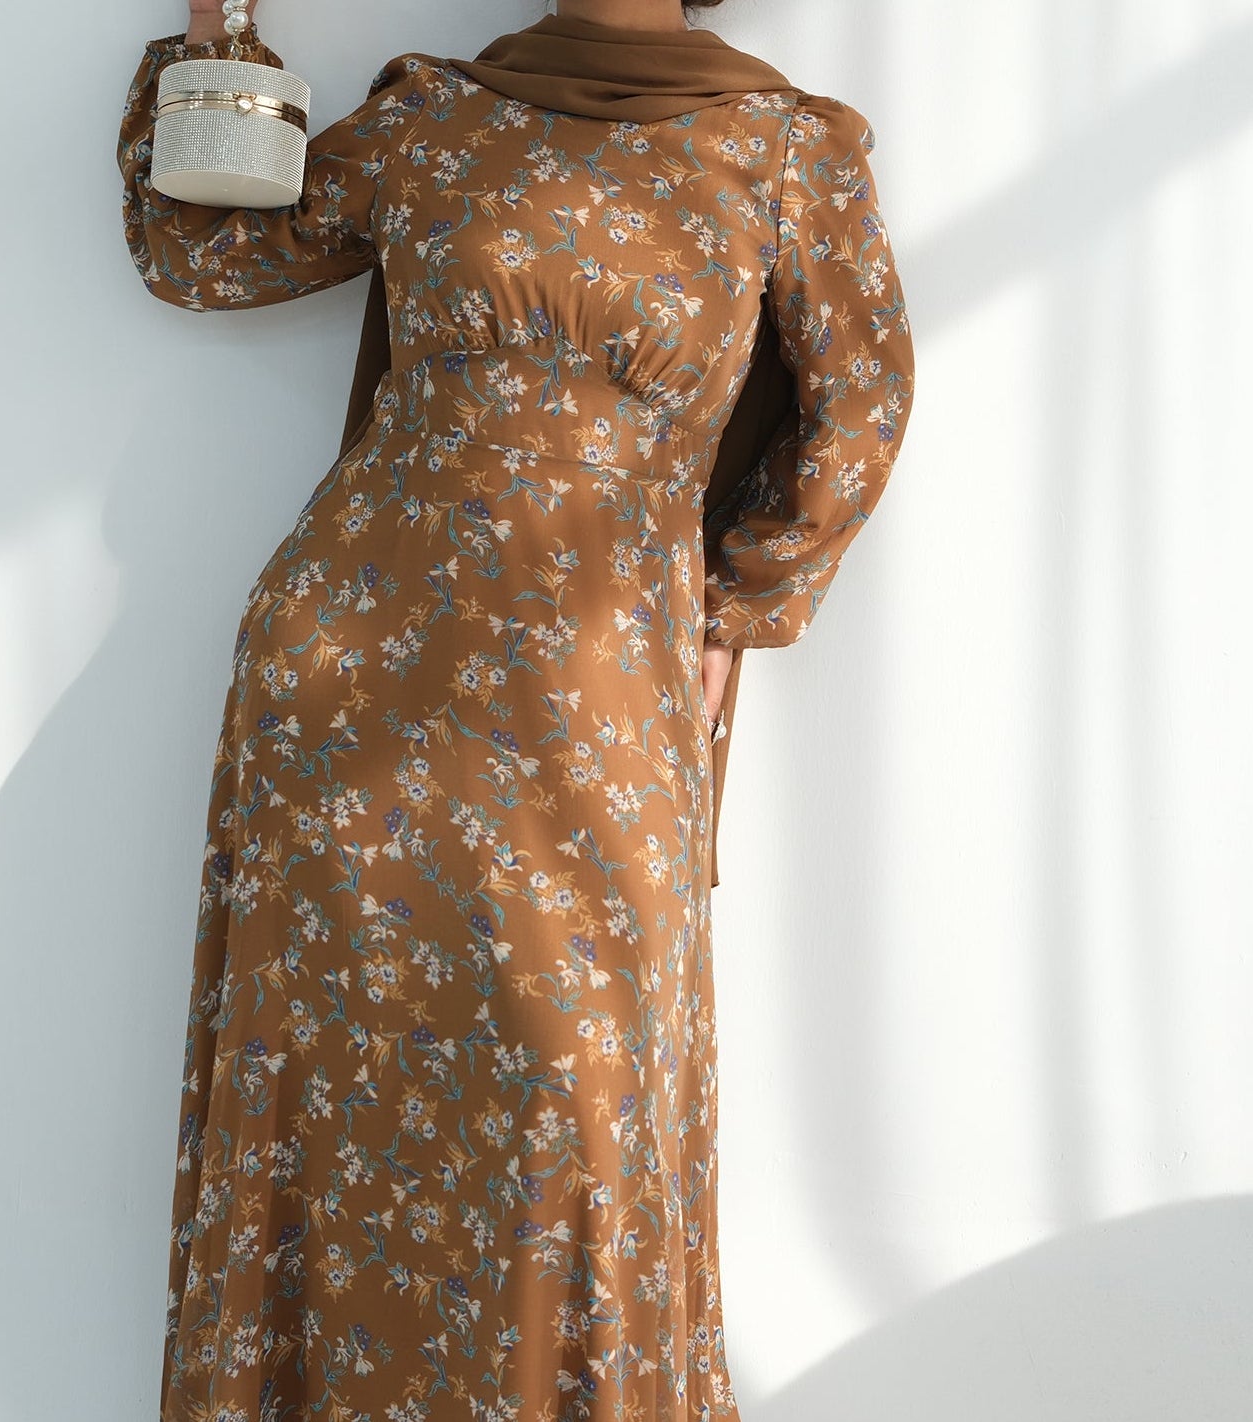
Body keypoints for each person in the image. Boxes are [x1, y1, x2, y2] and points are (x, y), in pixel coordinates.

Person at [118, 1, 913, 1417]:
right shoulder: (437, 114)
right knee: (338, 1074)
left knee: (578, 1091)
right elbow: (204, 257)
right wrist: (214, 46)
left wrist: (736, 603)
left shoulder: (785, 149)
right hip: (355, 663)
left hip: (601, 700)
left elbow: (860, 403)